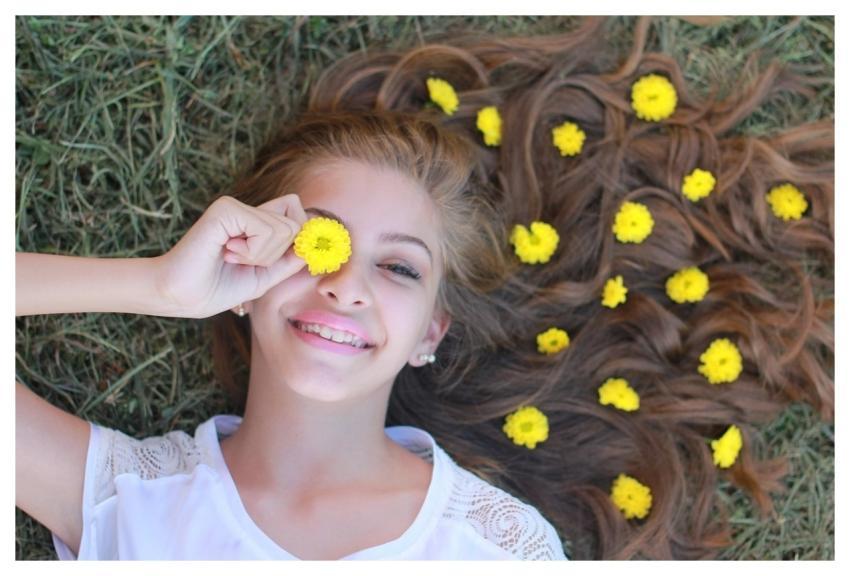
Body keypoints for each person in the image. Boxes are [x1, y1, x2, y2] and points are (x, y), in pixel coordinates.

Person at [15, 16, 833, 560]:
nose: (345, 285)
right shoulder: (126, 495)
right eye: (316, 244)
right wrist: (162, 284)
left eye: (399, 266)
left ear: (432, 332)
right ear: (244, 275)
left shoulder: (501, 547)